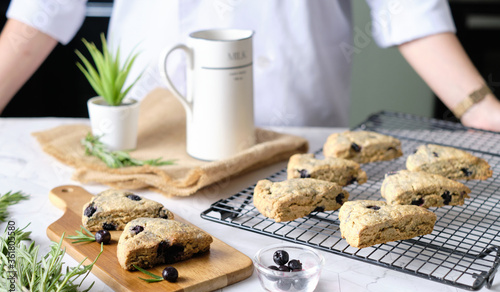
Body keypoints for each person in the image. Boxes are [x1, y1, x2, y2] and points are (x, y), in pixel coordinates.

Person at [1, 0, 500, 131]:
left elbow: (407, 4)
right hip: (145, 128)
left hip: (295, 120)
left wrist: (478, 107)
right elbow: (42, 8)